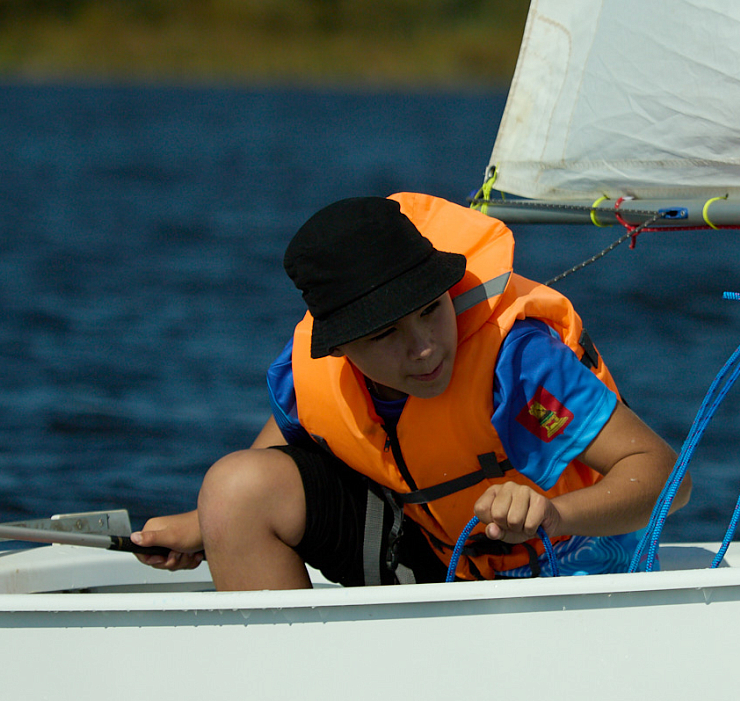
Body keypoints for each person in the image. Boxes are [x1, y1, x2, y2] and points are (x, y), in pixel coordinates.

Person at [130, 192, 688, 590]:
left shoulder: (516, 360)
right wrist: (205, 525)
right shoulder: (317, 376)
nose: (424, 348)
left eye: (430, 310)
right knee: (232, 489)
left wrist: (554, 512)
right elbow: (263, 470)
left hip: (566, 569)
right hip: (440, 562)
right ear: (342, 347)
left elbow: (668, 477)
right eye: (385, 334)